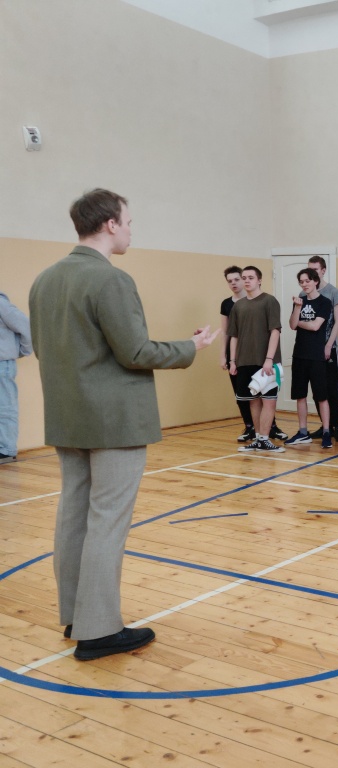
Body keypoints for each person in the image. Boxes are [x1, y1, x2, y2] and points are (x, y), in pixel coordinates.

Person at [29, 188, 218, 659]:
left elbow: (45, 350)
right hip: (113, 420)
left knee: (74, 515)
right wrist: (191, 347)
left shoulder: (44, 280)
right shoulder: (110, 279)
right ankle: (97, 631)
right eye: (129, 222)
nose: (132, 230)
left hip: (67, 416)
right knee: (107, 522)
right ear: (110, 224)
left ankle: (76, 616)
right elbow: (135, 352)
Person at [228, 266, 286, 453]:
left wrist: (269, 358)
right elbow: (234, 335)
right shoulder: (238, 306)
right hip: (245, 360)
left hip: (267, 362)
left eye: (250, 277)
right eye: (244, 277)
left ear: (259, 280)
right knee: (253, 400)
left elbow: (275, 331)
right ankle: (259, 439)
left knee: (269, 400)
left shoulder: (269, 301)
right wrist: (232, 361)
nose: (246, 281)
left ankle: (266, 439)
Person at [284, 268, 334, 449]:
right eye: (301, 282)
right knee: (300, 395)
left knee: (321, 396)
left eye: (307, 281)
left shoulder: (325, 302)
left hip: (316, 356)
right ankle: (303, 432)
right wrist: (297, 308)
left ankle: (327, 431)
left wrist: (299, 322)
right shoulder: (299, 301)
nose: (304, 284)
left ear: (315, 281)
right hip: (299, 355)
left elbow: (315, 326)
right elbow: (291, 325)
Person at [304, 256, 338, 443]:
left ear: (323, 271)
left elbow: (337, 322)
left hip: (330, 348)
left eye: (315, 269)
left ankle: (337, 426)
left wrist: (329, 345)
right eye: (309, 269)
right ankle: (325, 426)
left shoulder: (333, 292)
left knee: (332, 389)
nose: (312, 273)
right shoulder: (304, 292)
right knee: (317, 390)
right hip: (312, 351)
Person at [219, 266, 257, 443]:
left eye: (237, 279)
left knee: (260, 391)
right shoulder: (227, 304)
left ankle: (269, 426)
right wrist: (223, 356)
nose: (233, 283)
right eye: (230, 281)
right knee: (240, 393)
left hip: (254, 353)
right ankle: (249, 426)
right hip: (235, 355)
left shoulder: (255, 300)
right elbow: (225, 332)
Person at [0, 290, 31, 464]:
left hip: (2, 364)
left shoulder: (1, 304)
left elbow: (25, 325)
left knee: (5, 407)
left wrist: (21, 350)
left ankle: (6, 450)